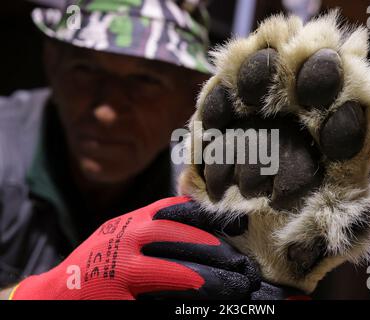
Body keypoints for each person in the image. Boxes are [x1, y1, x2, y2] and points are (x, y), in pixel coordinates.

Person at [0, 0, 303, 300]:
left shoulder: (210, 188)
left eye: (145, 81)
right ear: (52, 65)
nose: (106, 112)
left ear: (192, 95)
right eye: (85, 70)